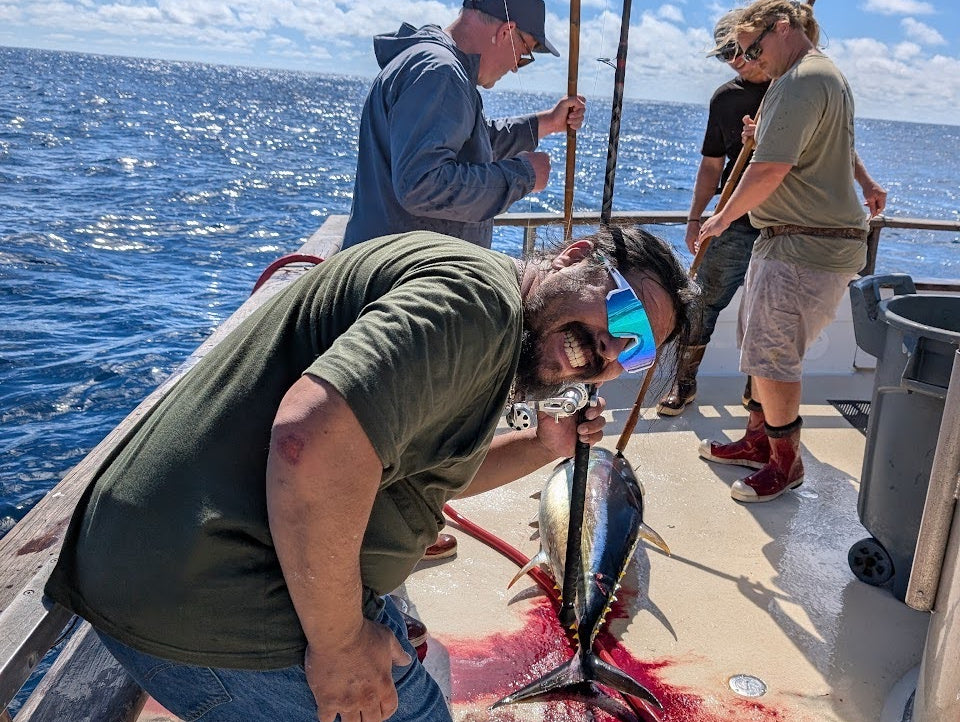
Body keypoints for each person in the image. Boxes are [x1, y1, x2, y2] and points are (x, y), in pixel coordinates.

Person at [46, 227, 698, 722]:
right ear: (574, 256)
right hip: (207, 593)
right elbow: (309, 442)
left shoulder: (491, 329)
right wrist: (339, 646)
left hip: (186, 563)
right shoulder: (476, 308)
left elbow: (419, 473)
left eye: (637, 351)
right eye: (623, 313)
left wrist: (541, 444)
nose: (612, 348)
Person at [697, 0, 886, 503]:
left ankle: (786, 464)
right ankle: (758, 441)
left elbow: (769, 171)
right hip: (785, 238)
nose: (748, 60)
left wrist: (722, 217)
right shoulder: (809, 76)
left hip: (805, 244)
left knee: (774, 357)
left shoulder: (802, 80)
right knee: (758, 347)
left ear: (782, 28)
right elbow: (819, 149)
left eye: (752, 49)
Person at [342, 0, 586, 250]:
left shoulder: (432, 65)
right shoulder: (441, 73)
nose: (515, 67)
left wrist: (548, 122)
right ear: (506, 32)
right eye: (524, 54)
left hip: (399, 262)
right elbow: (422, 184)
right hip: (404, 269)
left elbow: (473, 144)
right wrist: (523, 175)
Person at [657, 9, 770, 416]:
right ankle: (684, 384)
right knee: (701, 301)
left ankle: (759, 391)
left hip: (782, 223)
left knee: (767, 309)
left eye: (739, 50)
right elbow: (711, 165)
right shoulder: (725, 99)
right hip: (732, 220)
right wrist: (695, 219)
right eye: (725, 54)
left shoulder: (788, 90)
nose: (735, 60)